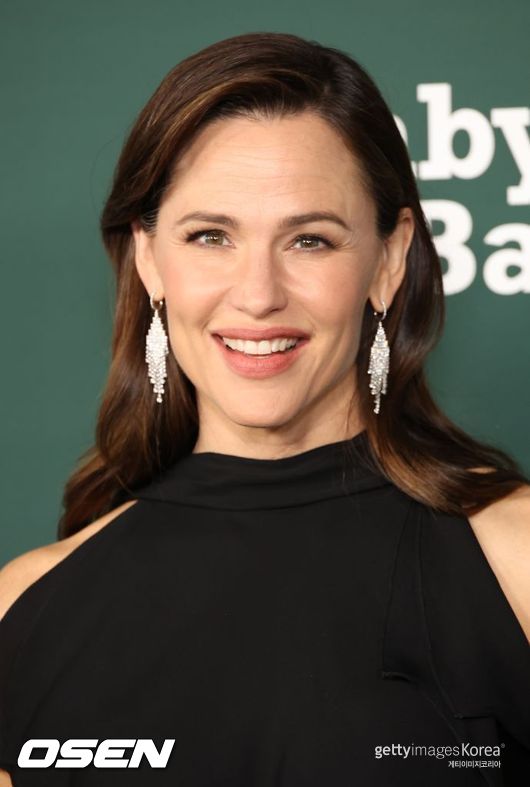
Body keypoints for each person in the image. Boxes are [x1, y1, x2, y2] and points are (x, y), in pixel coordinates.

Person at [0, 31, 529, 786]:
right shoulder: (24, 605)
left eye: (309, 240)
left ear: (388, 259)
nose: (257, 296)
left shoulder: (514, 558)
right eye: (210, 236)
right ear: (149, 259)